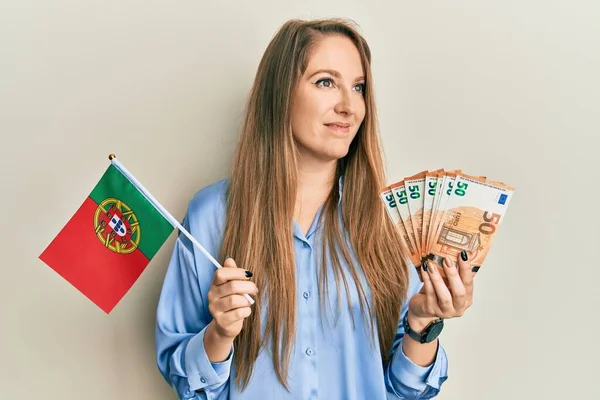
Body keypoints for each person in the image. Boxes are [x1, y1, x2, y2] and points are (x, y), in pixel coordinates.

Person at [155, 17, 475, 400]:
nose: (348, 106)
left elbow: (405, 391)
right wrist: (220, 333)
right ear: (281, 93)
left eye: (358, 88)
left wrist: (422, 323)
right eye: (326, 82)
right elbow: (188, 383)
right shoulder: (212, 214)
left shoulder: (388, 223)